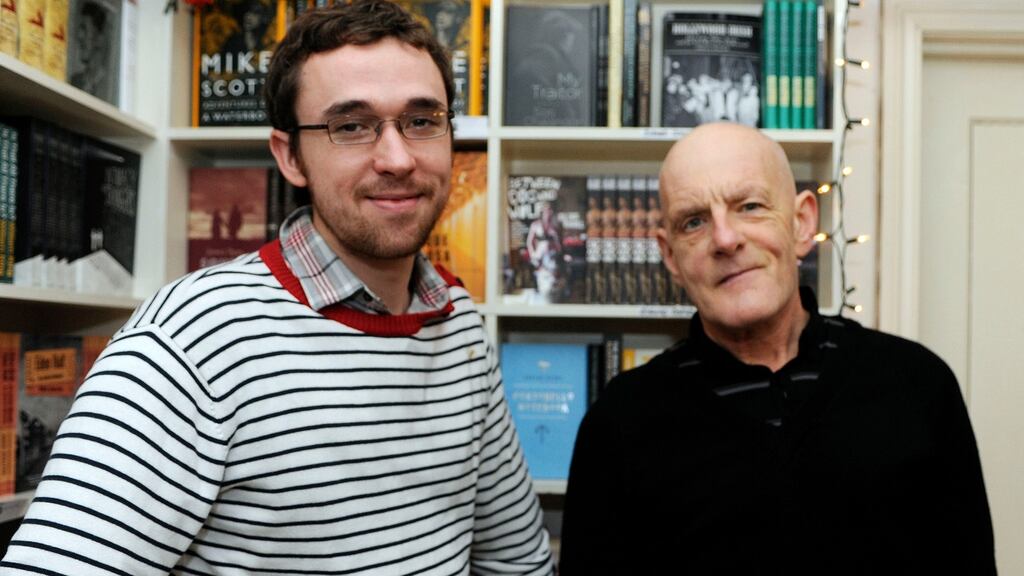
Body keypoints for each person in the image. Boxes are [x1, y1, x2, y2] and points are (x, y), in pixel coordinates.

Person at [0, 2, 554, 574]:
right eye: (351, 126)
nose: (397, 158)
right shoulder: (193, 339)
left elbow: (517, 562)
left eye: (421, 120)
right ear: (290, 156)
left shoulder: (458, 321)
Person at [558, 122, 995, 575]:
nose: (725, 239)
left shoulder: (918, 385)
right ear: (671, 257)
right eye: (694, 222)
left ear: (802, 223)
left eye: (749, 206)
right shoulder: (619, 422)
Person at [526, 203, 562, 303]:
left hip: (550, 255)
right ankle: (539, 292)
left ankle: (549, 295)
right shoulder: (535, 224)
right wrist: (532, 254)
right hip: (539, 253)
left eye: (549, 210)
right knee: (540, 273)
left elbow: (557, 243)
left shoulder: (553, 226)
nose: (548, 212)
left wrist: (559, 251)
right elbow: (529, 242)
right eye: (546, 210)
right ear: (542, 212)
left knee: (550, 275)